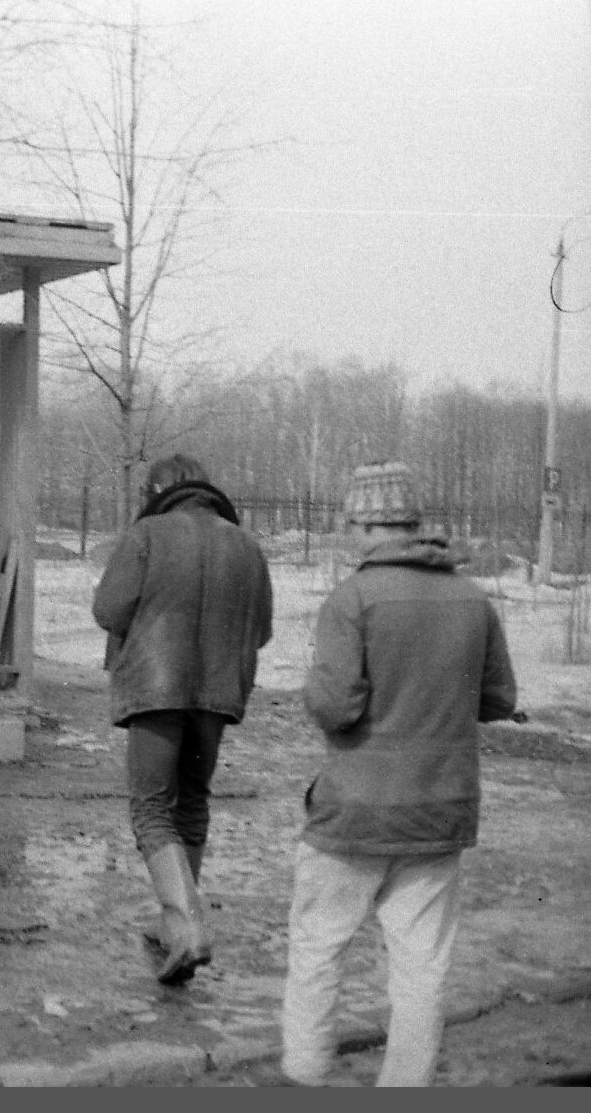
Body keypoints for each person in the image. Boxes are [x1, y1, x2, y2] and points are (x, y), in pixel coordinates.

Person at [280, 461, 517, 1087]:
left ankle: (303, 1079)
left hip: (354, 810)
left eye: (348, 525)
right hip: (441, 810)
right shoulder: (473, 598)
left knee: (317, 949)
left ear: (363, 524)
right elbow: (496, 701)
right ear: (413, 525)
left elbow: (335, 706)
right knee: (422, 965)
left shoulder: (352, 599)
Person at [92, 453, 273, 985]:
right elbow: (260, 630)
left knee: (150, 808)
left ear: (157, 491)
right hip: (217, 695)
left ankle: (187, 926)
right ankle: (174, 924)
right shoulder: (248, 545)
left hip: (154, 690)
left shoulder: (146, 534)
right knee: (192, 802)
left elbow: (108, 611)